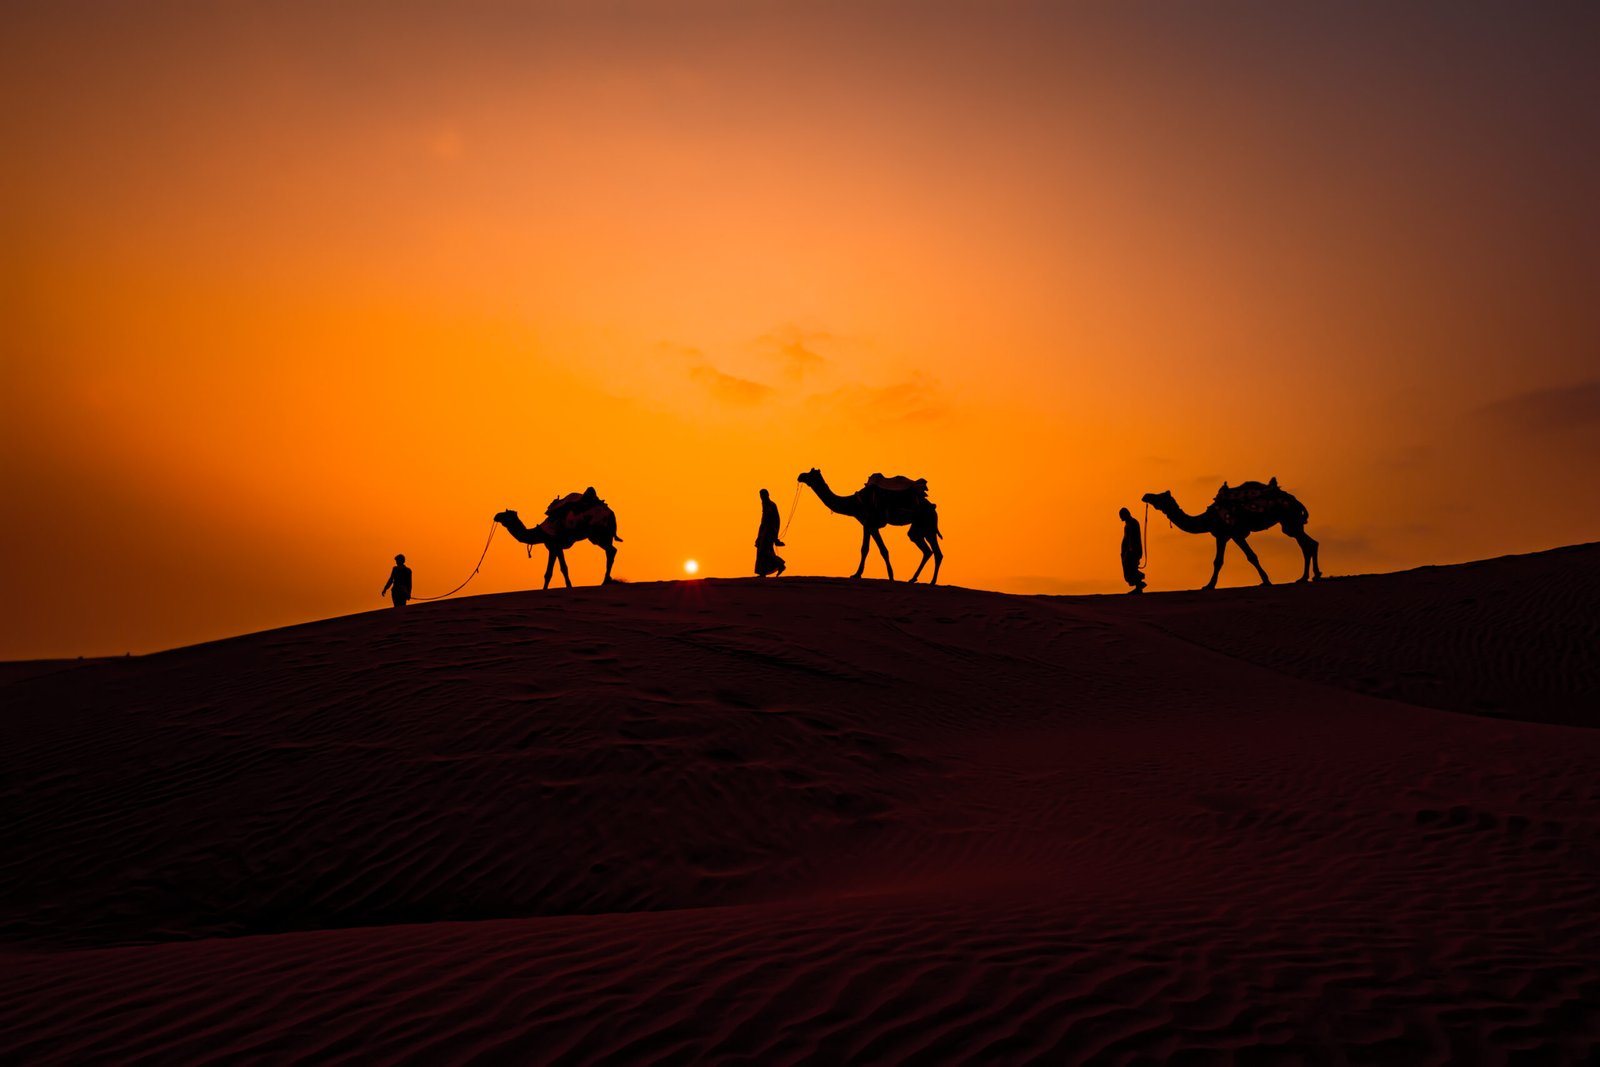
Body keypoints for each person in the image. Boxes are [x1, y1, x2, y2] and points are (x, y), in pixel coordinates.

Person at [755, 489, 786, 577]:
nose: (761, 497)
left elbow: (773, 520)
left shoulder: (770, 505)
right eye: (761, 495)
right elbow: (763, 521)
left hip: (769, 532)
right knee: (764, 551)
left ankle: (780, 565)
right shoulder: (766, 504)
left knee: (763, 551)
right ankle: (763, 572)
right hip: (765, 532)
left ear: (767, 495)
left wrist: (774, 535)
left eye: (763, 495)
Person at [1119, 508, 1146, 593]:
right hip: (1129, 550)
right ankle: (1139, 585)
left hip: (1133, 550)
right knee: (1129, 568)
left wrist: (1131, 549)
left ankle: (1139, 584)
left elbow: (1132, 537)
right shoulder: (1128, 523)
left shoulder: (1133, 523)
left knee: (1131, 568)